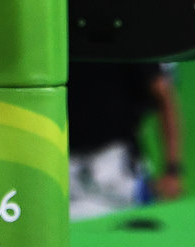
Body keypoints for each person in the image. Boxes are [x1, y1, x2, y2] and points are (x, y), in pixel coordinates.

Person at [67, 62, 183, 219]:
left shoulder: (127, 42)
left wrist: (172, 170)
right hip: (64, 163)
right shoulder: (57, 44)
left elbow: (163, 95)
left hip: (117, 168)